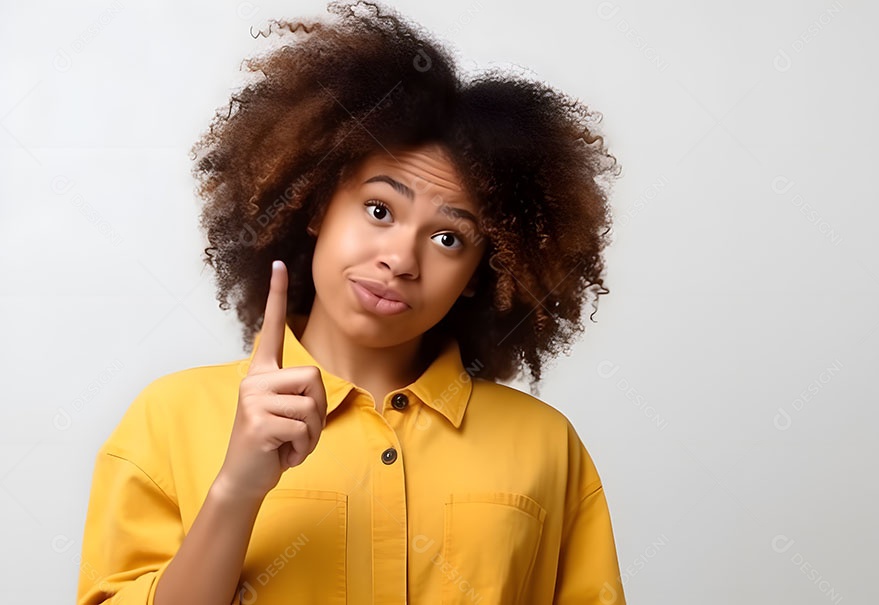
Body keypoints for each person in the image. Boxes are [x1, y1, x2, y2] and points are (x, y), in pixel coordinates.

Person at [76, 1, 624, 603]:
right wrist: (236, 489)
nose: (401, 259)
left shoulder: (546, 446)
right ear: (315, 207)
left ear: (480, 273)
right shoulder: (171, 417)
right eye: (380, 210)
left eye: (449, 238)